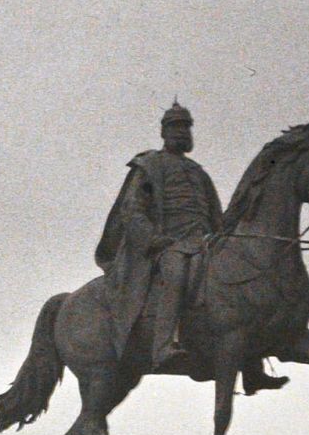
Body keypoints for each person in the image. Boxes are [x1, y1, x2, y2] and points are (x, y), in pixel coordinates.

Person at [95, 101, 287, 390]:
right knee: (176, 273)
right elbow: (131, 211)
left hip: (205, 244)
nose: (182, 133)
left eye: (186, 127)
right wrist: (153, 239)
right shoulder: (149, 165)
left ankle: (252, 367)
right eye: (176, 127)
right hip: (169, 246)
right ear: (163, 132)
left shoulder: (199, 173)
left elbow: (216, 217)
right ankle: (163, 346)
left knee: (237, 284)